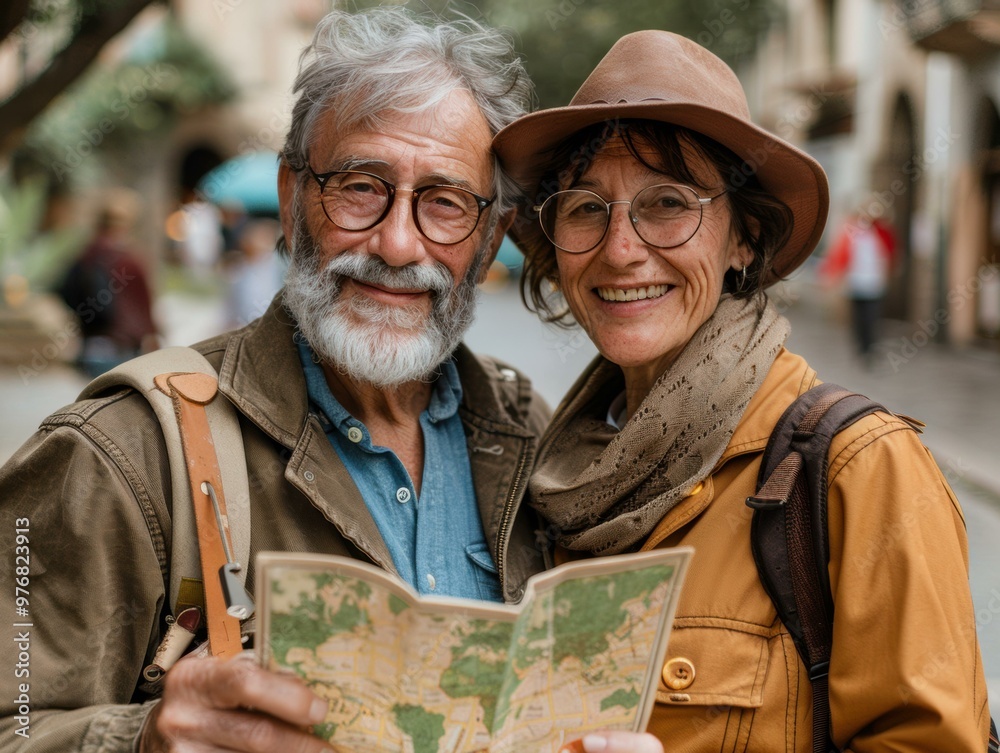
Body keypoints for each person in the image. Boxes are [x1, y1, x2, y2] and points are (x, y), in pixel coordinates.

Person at [0, 9, 662, 753]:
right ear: (292, 197)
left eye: (445, 202)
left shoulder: (531, 436)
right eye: (360, 185)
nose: (397, 243)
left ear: (490, 241)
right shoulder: (120, 454)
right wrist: (143, 738)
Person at [493, 30, 991, 750]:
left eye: (667, 202)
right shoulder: (551, 474)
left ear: (744, 240)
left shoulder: (856, 467)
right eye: (585, 206)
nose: (621, 248)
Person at [56, 188, 159, 376]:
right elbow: (144, 307)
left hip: (91, 343)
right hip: (123, 346)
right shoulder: (132, 259)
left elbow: (64, 292)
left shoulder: (85, 255)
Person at [820, 211, 897, 367]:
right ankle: (861, 348)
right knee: (858, 319)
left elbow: (889, 254)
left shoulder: (880, 234)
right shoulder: (852, 235)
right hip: (855, 283)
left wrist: (887, 276)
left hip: (874, 284)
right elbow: (840, 256)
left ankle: (869, 348)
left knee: (871, 318)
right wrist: (832, 277)